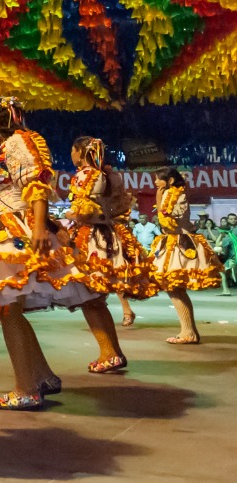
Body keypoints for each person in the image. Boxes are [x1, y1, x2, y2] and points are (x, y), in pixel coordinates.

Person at [0, 97, 94, 411]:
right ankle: (43, 377)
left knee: (9, 308)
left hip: (16, 231)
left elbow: (36, 186)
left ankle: (25, 389)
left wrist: (38, 227)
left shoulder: (20, 142)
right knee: (9, 308)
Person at [66, 137, 156, 371]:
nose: (71, 155)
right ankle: (112, 352)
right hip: (107, 234)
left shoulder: (87, 175)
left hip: (93, 238)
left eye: (73, 151)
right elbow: (118, 209)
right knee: (94, 299)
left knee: (91, 299)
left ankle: (110, 353)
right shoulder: (109, 176)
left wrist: (66, 218)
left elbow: (84, 211)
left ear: (80, 152)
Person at [150, 167, 220, 344]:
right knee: (173, 288)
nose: (155, 182)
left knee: (175, 288)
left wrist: (158, 201)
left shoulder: (176, 195)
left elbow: (170, 223)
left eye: (158, 179)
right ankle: (188, 331)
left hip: (178, 244)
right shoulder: (170, 193)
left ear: (170, 181)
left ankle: (188, 332)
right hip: (171, 242)